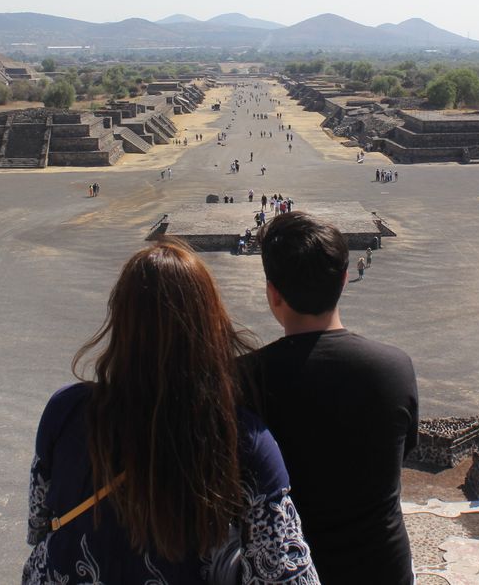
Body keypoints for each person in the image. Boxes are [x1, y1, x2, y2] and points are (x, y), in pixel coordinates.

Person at [24, 241, 319, 584]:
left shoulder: (65, 410)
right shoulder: (239, 437)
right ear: (210, 323)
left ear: (120, 320)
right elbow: (286, 572)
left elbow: (38, 523)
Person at [246, 212, 418, 585]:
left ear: (273, 293)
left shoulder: (243, 379)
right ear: (344, 279)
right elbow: (401, 453)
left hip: (288, 572)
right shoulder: (394, 368)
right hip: (382, 568)